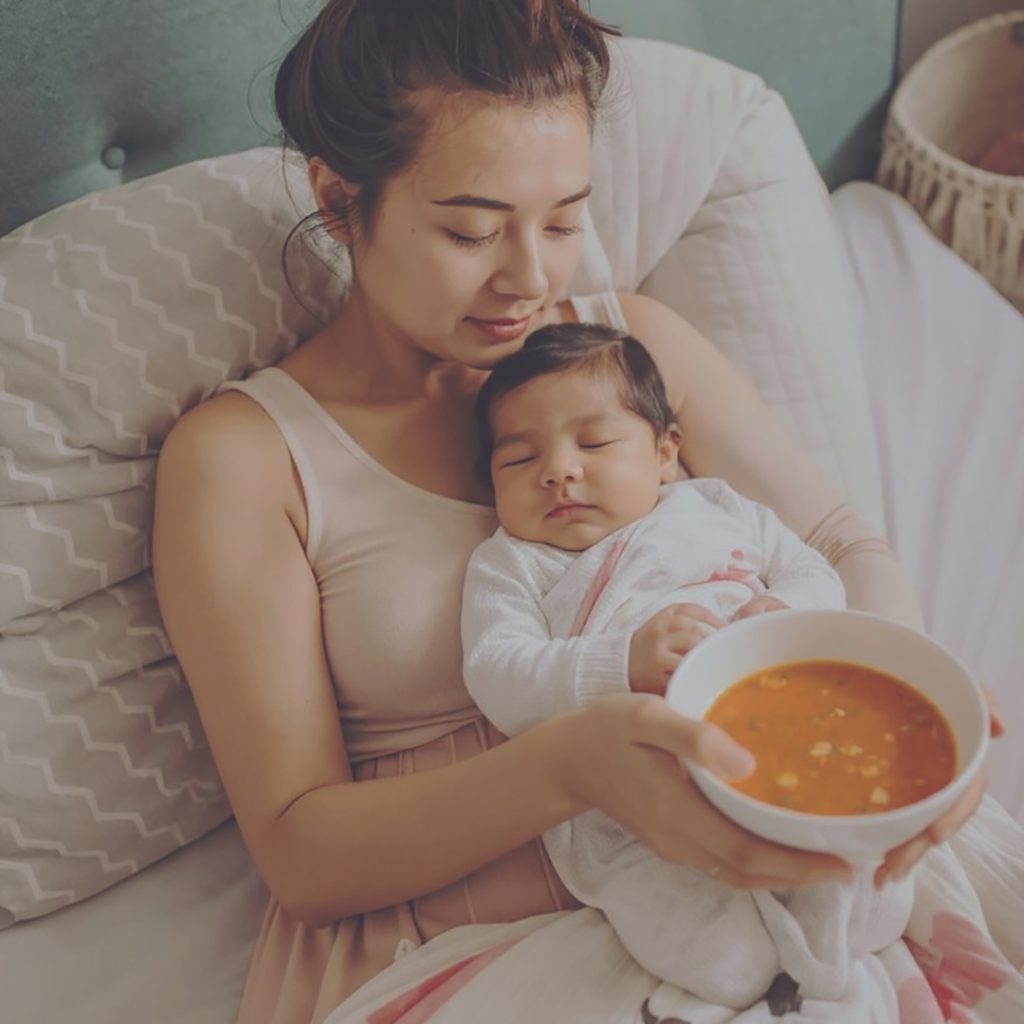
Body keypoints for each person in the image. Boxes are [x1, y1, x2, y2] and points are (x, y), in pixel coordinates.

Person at [150, 2, 992, 1021]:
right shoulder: (246, 459)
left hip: (774, 864)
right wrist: (571, 767)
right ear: (338, 200)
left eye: (561, 220)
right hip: (454, 944)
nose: (531, 276)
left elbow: (842, 545)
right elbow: (303, 853)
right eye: (470, 230)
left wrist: (903, 738)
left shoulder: (628, 346)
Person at [460, 321, 914, 1006]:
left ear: (666, 453)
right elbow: (498, 672)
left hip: (772, 742)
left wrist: (780, 615)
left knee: (877, 897)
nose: (558, 470)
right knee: (717, 956)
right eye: (519, 459)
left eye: (594, 443)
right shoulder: (512, 564)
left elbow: (814, 571)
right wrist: (622, 662)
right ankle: (767, 986)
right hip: (629, 804)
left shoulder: (716, 508)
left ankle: (830, 971)